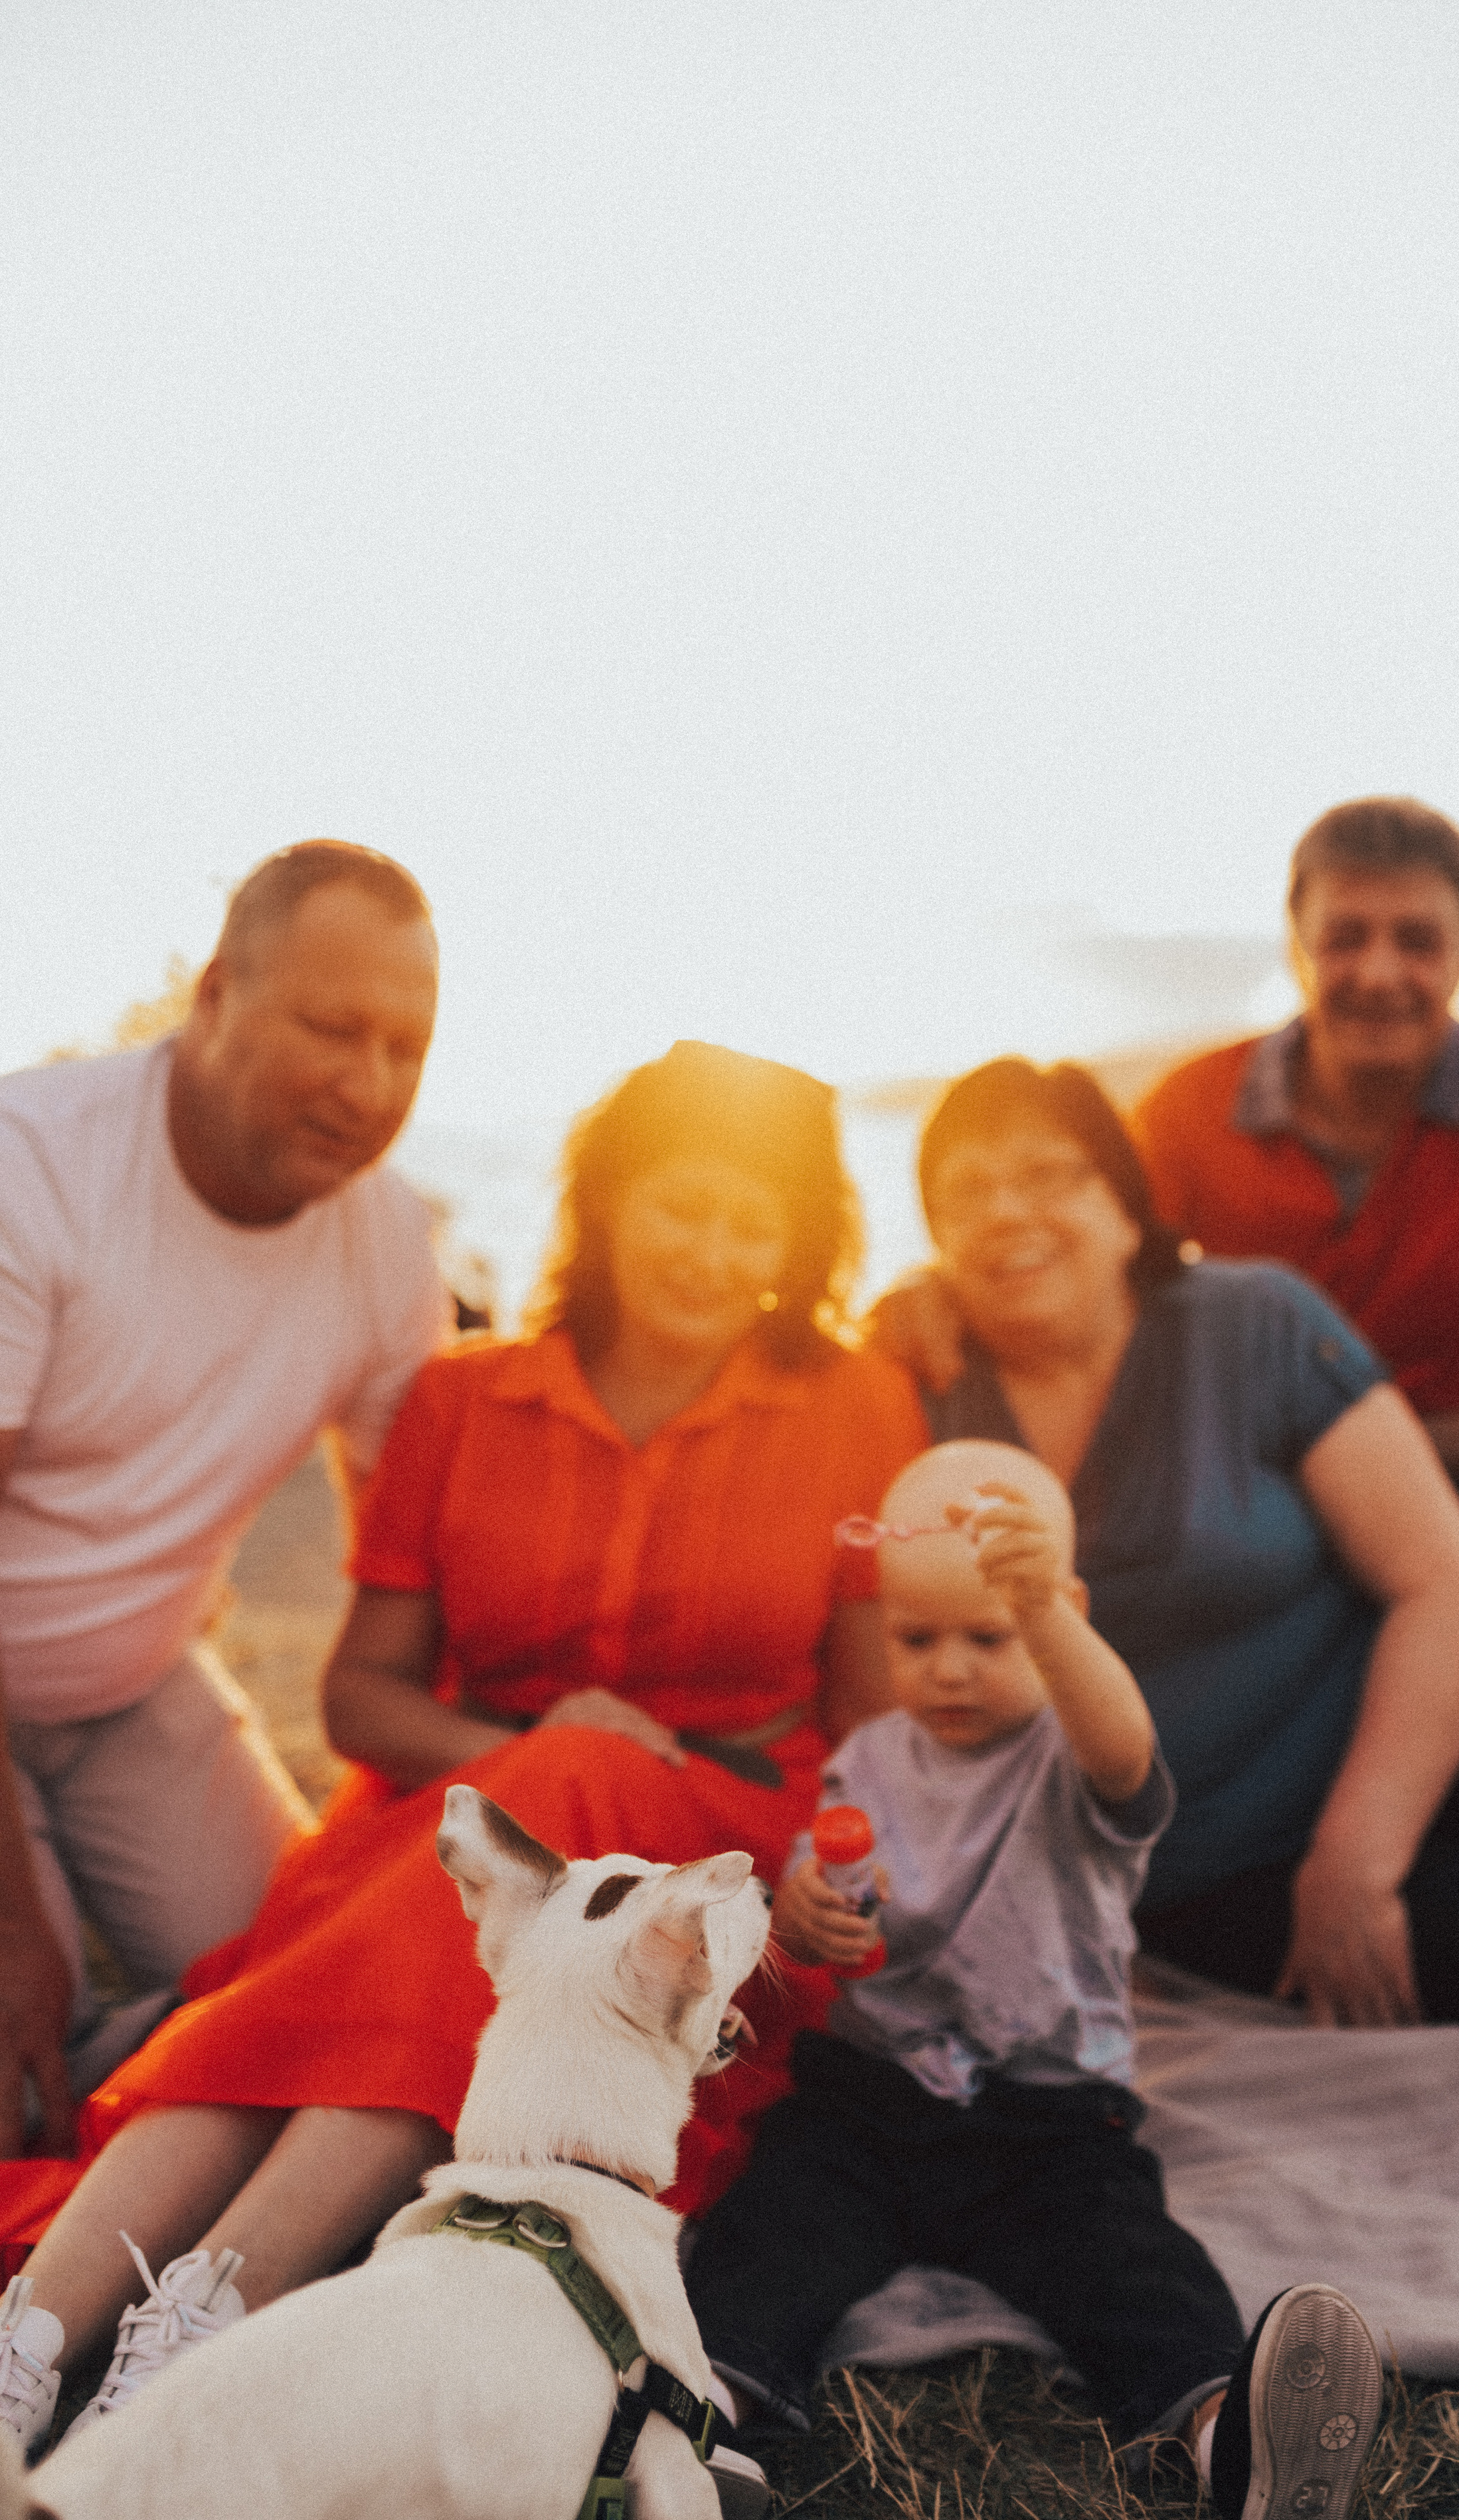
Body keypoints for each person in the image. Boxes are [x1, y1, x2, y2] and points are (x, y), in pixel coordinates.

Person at [0, 1041, 928, 2459]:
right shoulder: (462, 1397)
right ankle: (48, 2340)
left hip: (699, 1853)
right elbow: (361, 1698)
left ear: (801, 1247)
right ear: (608, 1202)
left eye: (757, 1224)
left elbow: (871, 1727)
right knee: (504, 1833)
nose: (713, 1250)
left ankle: (185, 2325)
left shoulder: (853, 1403)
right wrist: (528, 1743)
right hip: (443, 1820)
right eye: (684, 1204)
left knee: (538, 1828)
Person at [908, 1055, 1459, 2059]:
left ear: (1124, 1203)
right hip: (1229, 1870)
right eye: (964, 1193)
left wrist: (1358, 1863)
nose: (1007, 1212)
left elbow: (1448, 1586)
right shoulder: (921, 1398)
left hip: (1448, 1727)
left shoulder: (1255, 1322)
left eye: (1047, 1175)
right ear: (934, 1239)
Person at [685, 1441, 1384, 2520]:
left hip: (1049, 2123)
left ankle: (1225, 2439)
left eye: (991, 1635)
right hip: (870, 2102)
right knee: (773, 2228)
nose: (950, 1669)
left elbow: (1124, 1745)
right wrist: (804, 1916)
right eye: (917, 1639)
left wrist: (1048, 1620)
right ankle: (701, 2425)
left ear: (1064, 1613)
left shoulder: (1071, 1753)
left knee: (1130, 2267)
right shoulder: (869, 1758)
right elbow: (822, 1888)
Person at [883, 799, 1459, 1668]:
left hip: (1454, 1468)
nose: (1380, 972)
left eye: (1418, 942)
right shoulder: (1190, 1109)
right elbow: (1085, 1257)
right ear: (1294, 945)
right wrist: (935, 1285)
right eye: (1346, 937)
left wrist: (1356, 1465)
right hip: (1252, 1461)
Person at [0, 842, 448, 2163]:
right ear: (213, 995)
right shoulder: (36, 1169)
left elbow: (422, 1546)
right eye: (330, 1026)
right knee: (21, 2064)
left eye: (404, 1047)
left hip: (142, 1690)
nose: (366, 1085)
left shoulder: (387, 1242)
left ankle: (107, 2042)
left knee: (318, 2008)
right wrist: (20, 1923)